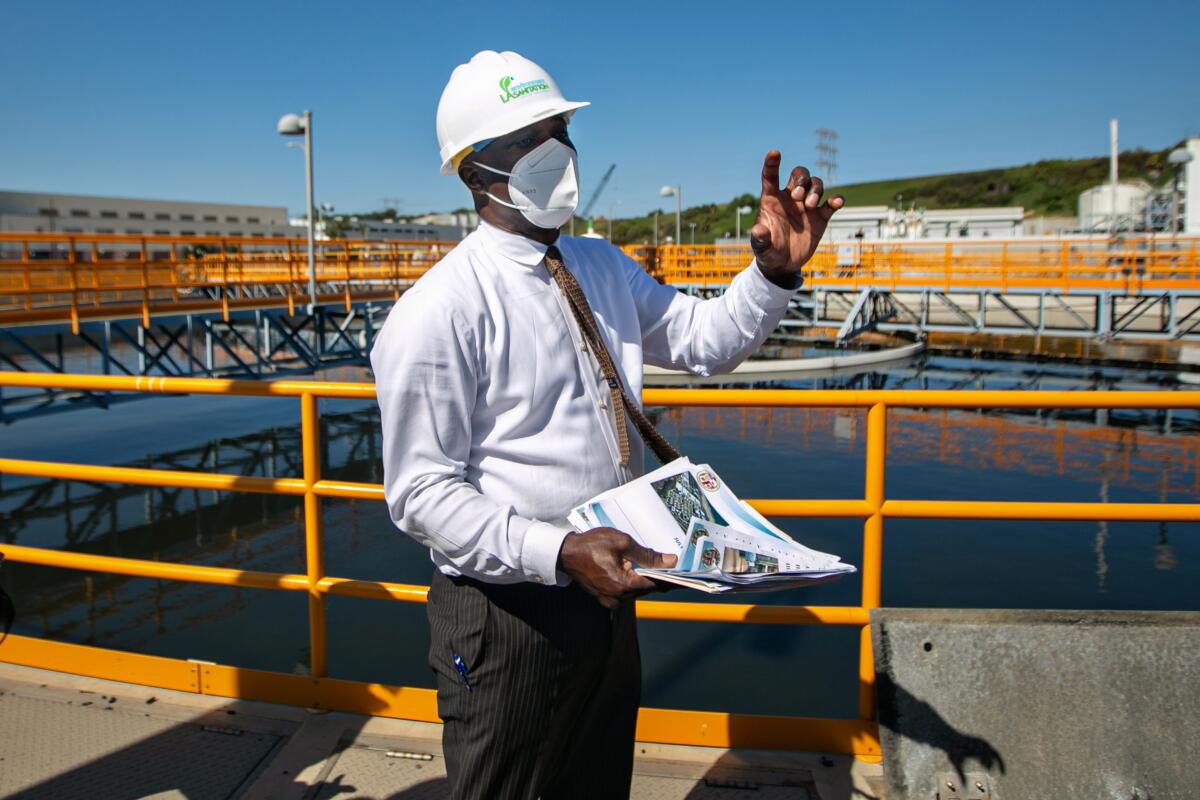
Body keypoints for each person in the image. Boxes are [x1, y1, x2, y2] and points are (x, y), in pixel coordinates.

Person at [370, 49, 843, 800]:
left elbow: (705, 341)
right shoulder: (438, 310)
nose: (553, 155)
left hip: (607, 586)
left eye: (560, 132)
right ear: (472, 173)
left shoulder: (600, 264)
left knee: (597, 784)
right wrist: (557, 549)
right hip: (507, 618)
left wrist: (773, 274)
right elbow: (421, 494)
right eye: (527, 141)